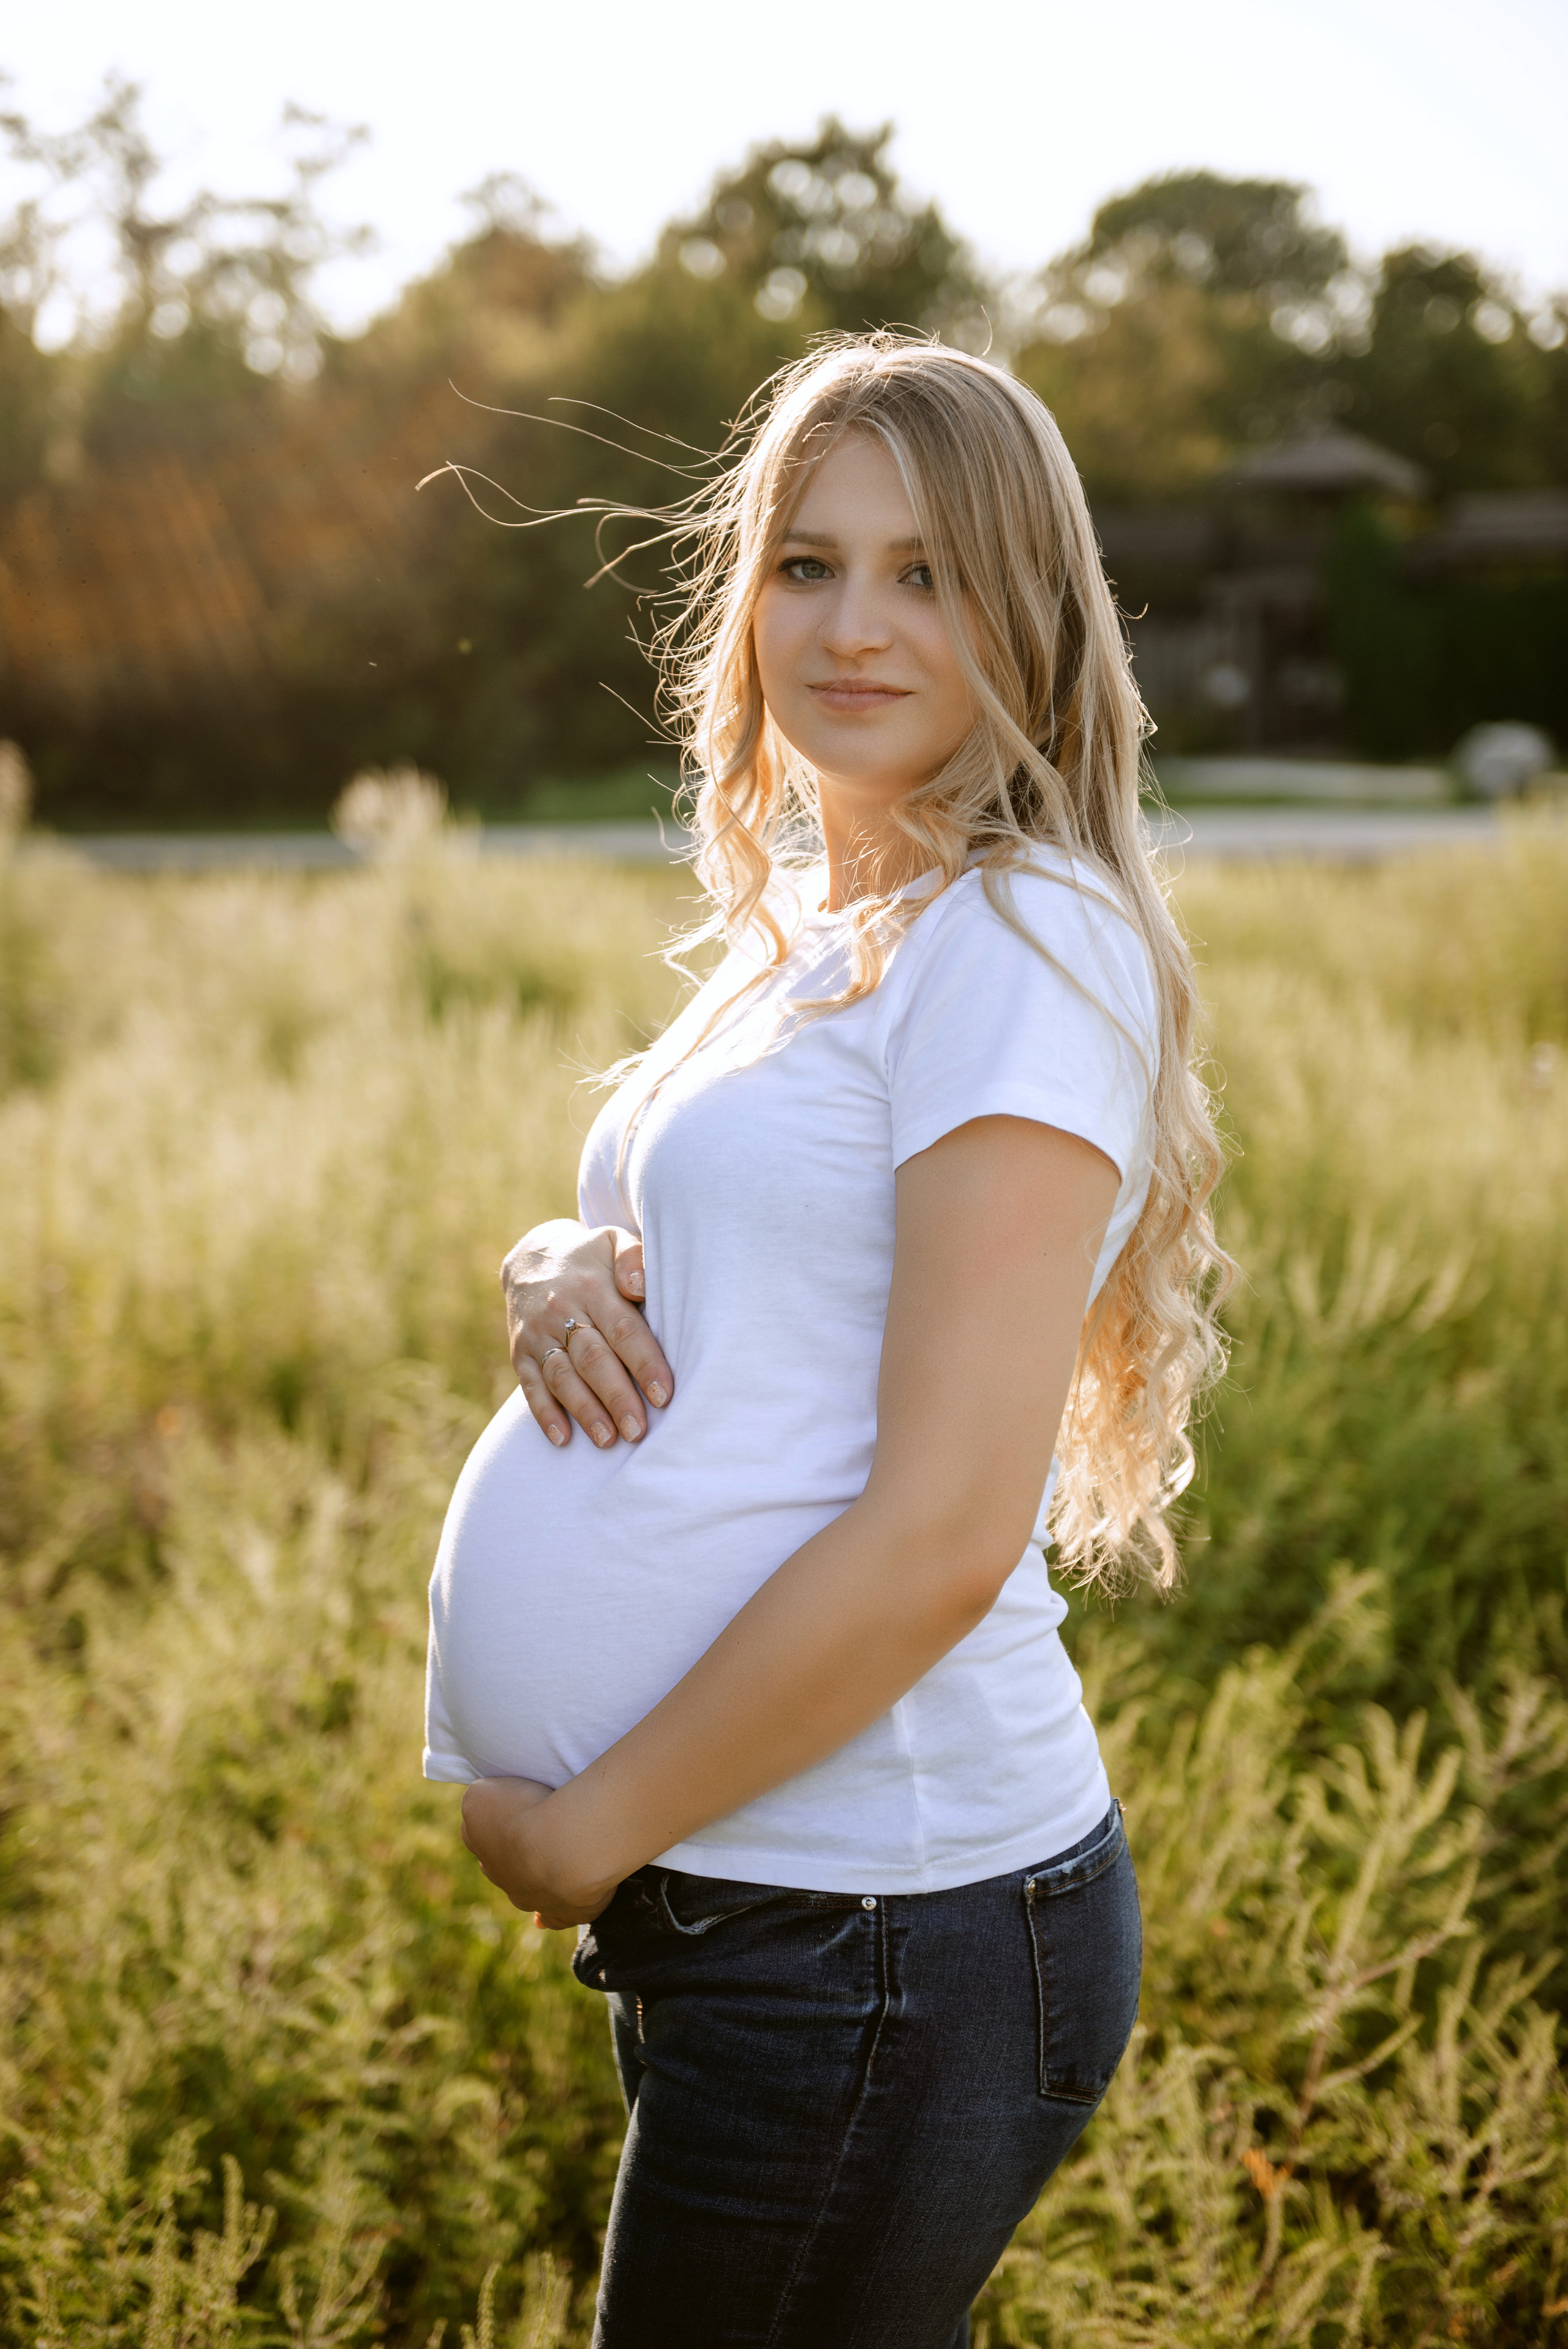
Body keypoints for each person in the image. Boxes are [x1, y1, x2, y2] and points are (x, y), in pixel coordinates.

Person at [424, 335, 1232, 2348]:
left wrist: (585, 1826)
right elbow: (731, 1253)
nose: (852, 625)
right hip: (786, 1914)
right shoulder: (831, 915)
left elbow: (949, 1524)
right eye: (807, 563)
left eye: (927, 573)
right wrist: (552, 1256)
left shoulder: (1021, 942)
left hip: (883, 1920)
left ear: (1030, 610)